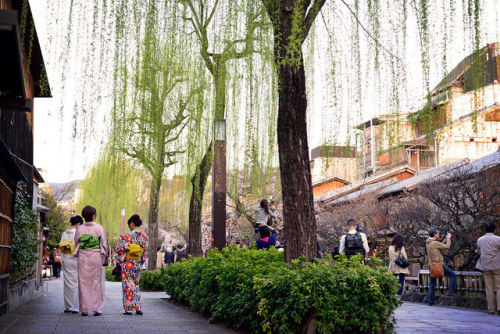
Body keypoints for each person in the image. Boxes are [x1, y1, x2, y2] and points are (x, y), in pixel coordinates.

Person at [74, 205, 107, 316]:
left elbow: (77, 243)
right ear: (93, 216)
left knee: (83, 283)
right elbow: (103, 244)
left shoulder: (80, 228)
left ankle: (84, 308)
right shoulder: (99, 227)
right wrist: (103, 257)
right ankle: (97, 308)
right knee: (96, 282)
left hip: (83, 257)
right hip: (95, 256)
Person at [116, 214, 148, 315]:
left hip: (128, 264)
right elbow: (145, 252)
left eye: (129, 225)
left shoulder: (127, 236)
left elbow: (119, 248)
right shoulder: (144, 236)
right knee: (136, 284)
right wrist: (140, 261)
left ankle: (129, 308)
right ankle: (138, 307)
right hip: (138, 263)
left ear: (132, 224)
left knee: (127, 285)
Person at [426, 228, 456, 306]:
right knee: (452, 275)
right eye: (438, 233)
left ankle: (430, 300)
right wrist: (448, 239)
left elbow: (439, 246)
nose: (438, 234)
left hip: (431, 265)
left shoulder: (429, 242)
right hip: (438, 265)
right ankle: (451, 291)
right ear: (435, 234)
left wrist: (445, 239)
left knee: (432, 283)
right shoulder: (434, 243)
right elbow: (447, 247)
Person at [59, 215, 82, 313]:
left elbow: (61, 246)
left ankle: (67, 306)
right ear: (78, 224)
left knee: (67, 281)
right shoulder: (78, 233)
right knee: (75, 282)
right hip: (75, 258)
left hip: (66, 257)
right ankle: (73, 305)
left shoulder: (64, 233)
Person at [476, 221, 500, 315]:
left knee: (489, 288)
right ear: (495, 229)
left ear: (485, 230)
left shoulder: (480, 240)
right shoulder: (498, 239)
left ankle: (491, 309)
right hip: (497, 265)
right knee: (499, 287)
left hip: (485, 266)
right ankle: (499, 308)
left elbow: (479, 252)